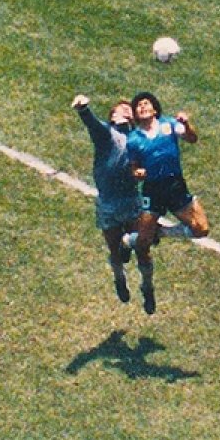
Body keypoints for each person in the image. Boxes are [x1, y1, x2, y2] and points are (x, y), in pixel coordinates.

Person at [123, 91, 211, 314]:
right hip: (152, 190)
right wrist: (137, 173)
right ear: (135, 114)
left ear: (155, 109)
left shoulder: (170, 125)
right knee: (142, 243)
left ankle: (161, 233)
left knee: (201, 229)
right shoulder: (133, 139)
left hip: (175, 186)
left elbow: (192, 138)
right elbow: (133, 168)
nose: (143, 107)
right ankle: (146, 284)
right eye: (139, 106)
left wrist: (187, 124)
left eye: (147, 103)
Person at [71, 94, 155, 304]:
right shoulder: (106, 135)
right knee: (114, 250)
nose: (126, 110)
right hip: (108, 204)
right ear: (112, 117)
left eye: (129, 109)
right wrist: (83, 109)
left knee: (142, 250)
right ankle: (119, 279)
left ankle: (147, 285)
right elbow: (92, 124)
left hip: (131, 202)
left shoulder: (138, 140)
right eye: (120, 109)